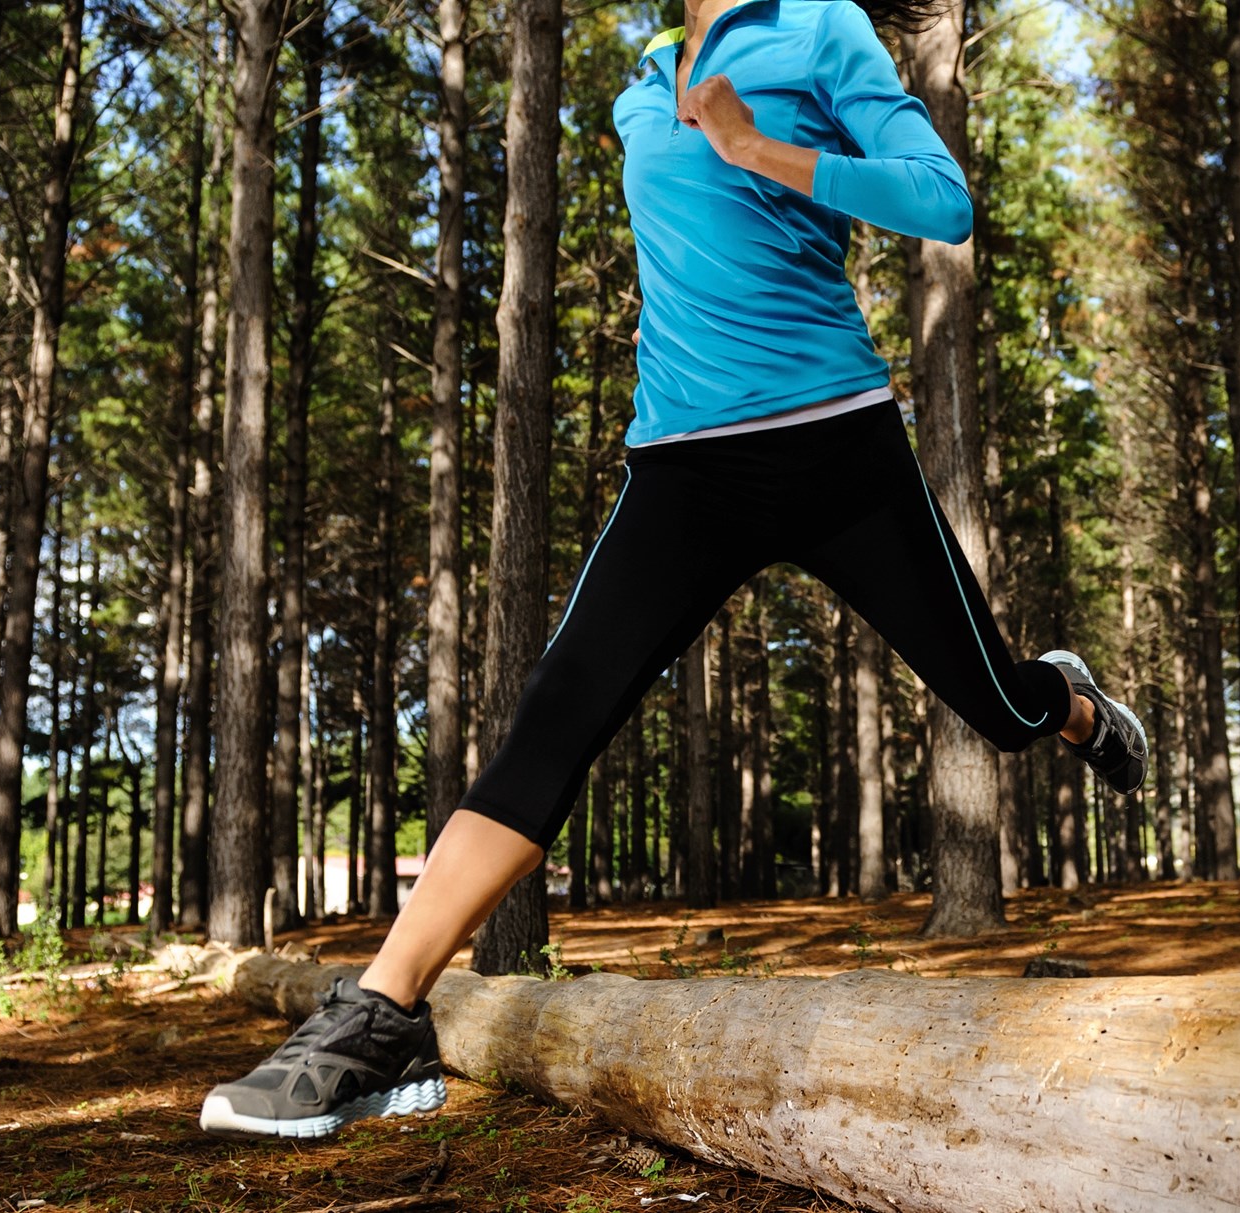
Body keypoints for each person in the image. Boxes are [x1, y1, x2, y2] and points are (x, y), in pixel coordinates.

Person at [197, 0, 1147, 1141]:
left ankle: (1076, 706)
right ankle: (378, 1017)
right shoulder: (644, 79)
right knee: (551, 720)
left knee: (995, 706)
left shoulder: (820, 29)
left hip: (833, 445)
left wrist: (756, 148)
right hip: (682, 467)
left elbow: (941, 200)